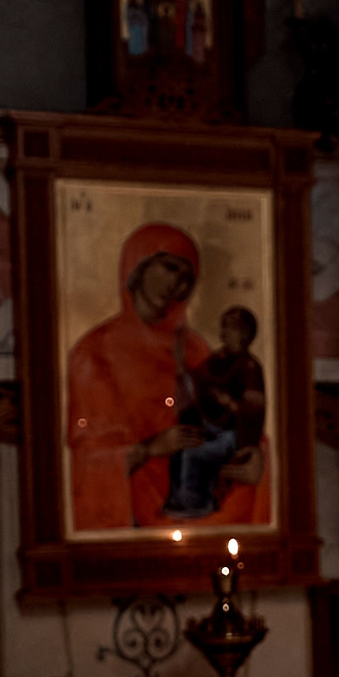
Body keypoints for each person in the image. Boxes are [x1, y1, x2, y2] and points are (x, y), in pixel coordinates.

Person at [65, 223, 269, 531]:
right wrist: (148, 449)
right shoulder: (95, 351)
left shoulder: (195, 348)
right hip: (134, 513)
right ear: (138, 264)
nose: (175, 283)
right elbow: (84, 457)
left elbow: (231, 417)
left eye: (185, 277)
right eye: (169, 267)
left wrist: (256, 456)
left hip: (203, 503)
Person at [164, 305, 267, 521]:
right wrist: (180, 362)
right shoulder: (218, 359)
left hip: (233, 435)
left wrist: (229, 403)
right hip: (212, 425)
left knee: (195, 452)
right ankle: (178, 497)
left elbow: (252, 412)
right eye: (223, 328)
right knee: (182, 441)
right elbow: (197, 382)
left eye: (229, 328)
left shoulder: (249, 367)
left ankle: (195, 502)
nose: (223, 334)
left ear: (244, 334)